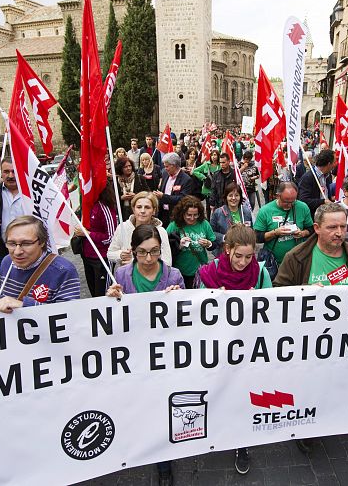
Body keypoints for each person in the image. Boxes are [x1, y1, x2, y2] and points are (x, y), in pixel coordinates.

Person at [273, 203, 348, 455]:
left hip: (343, 341)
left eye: (343, 226)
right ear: (317, 228)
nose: (339, 232)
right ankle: (306, 427)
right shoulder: (296, 257)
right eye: (332, 227)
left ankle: (329, 416)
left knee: (333, 383)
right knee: (307, 386)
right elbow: (278, 296)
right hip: (306, 342)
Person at [106, 223, 183, 486]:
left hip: (165, 355)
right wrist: (111, 299)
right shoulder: (122, 275)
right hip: (135, 355)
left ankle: (164, 461)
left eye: (154, 252)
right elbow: (111, 318)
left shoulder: (173, 276)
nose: (149, 259)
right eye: (142, 253)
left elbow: (186, 321)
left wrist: (180, 300)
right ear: (132, 251)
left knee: (163, 406)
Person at [0, 216, 81, 312]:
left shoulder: (64, 271)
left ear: (42, 242)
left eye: (26, 243)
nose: (17, 252)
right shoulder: (7, 262)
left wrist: (24, 305)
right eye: (12, 243)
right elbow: (4, 296)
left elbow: (69, 314)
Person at [254, 182, 313, 276]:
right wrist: (275, 233)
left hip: (298, 261)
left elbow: (311, 229)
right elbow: (257, 237)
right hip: (275, 263)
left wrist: (302, 233)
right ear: (277, 196)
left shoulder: (302, 207)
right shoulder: (265, 211)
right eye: (286, 201)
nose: (289, 205)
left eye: (293, 201)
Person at [73, 185, 118, 298]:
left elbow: (111, 237)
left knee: (103, 294)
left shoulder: (105, 207)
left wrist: (87, 234)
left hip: (102, 259)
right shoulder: (86, 206)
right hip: (87, 256)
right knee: (94, 294)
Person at [107, 192, 172, 266]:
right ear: (133, 209)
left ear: (154, 210)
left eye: (147, 207)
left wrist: (135, 263)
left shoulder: (160, 232)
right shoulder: (123, 227)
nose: (142, 211)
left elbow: (167, 262)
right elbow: (110, 254)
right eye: (139, 207)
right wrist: (120, 255)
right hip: (124, 276)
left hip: (150, 276)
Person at [166, 195, 216, 288]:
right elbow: (165, 248)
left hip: (199, 270)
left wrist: (208, 244)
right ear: (182, 213)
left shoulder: (204, 224)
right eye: (188, 215)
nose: (192, 218)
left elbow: (214, 244)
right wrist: (179, 246)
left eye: (195, 215)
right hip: (180, 271)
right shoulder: (174, 225)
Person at [210, 182, 254, 256]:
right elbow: (211, 233)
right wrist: (224, 237)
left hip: (242, 253)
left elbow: (251, 231)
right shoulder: (218, 212)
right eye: (230, 195)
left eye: (236, 195)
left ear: (240, 197)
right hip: (224, 252)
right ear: (226, 197)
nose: (233, 198)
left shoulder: (246, 212)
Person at [155, 152, 194, 227]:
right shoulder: (165, 174)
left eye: (167, 166)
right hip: (162, 214)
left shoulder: (186, 179)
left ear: (174, 166)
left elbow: (183, 199)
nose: (165, 169)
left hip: (176, 215)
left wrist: (163, 196)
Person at [297, 149, 335, 217]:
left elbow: (326, 194)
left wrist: (331, 198)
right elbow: (303, 200)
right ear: (329, 164)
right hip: (313, 216)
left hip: (326, 214)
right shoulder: (308, 178)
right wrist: (323, 202)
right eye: (334, 161)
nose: (335, 164)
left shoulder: (328, 176)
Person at [116, 157, 143, 222]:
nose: (128, 168)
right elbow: (111, 198)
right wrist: (121, 198)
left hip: (137, 210)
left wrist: (136, 196)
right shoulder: (115, 181)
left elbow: (147, 193)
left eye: (129, 166)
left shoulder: (139, 178)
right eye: (125, 167)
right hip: (122, 211)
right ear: (120, 168)